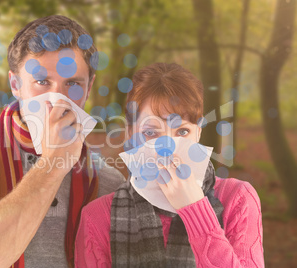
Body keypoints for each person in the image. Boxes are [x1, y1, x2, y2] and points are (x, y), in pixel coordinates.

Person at [0, 15, 125, 268]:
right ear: (15, 84)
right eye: (42, 82)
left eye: (72, 84)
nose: (57, 99)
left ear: (89, 88)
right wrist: (53, 164)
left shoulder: (110, 182)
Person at [75, 63, 264, 267]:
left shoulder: (237, 199)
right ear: (130, 134)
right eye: (150, 132)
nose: (168, 150)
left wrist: (195, 209)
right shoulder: (97, 218)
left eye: (182, 132)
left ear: (198, 132)